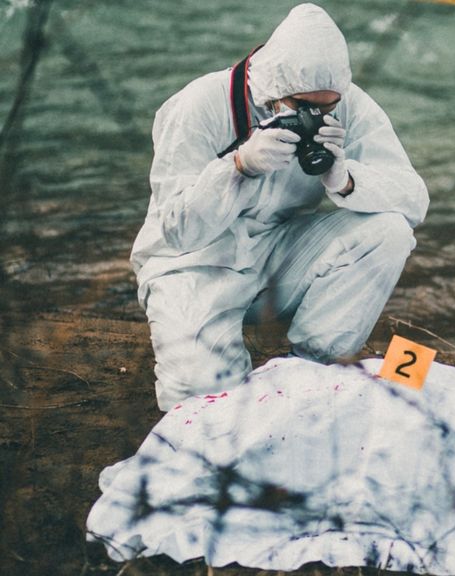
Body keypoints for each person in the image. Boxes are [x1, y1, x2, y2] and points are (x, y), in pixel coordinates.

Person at [130, 3, 428, 411]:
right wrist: (238, 166)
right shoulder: (200, 104)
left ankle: (312, 366)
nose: (315, 116)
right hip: (192, 264)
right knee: (203, 402)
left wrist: (346, 180)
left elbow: (413, 198)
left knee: (389, 231)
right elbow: (176, 231)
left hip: (276, 254)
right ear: (271, 91)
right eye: (303, 106)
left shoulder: (348, 104)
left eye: (326, 107)